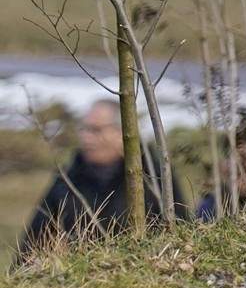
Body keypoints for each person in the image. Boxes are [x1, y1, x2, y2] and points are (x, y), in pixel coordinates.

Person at [17, 99, 162, 256]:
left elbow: (176, 228)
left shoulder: (153, 176)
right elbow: (33, 243)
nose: (87, 138)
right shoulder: (68, 178)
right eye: (84, 129)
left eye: (96, 130)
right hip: (75, 277)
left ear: (123, 132)